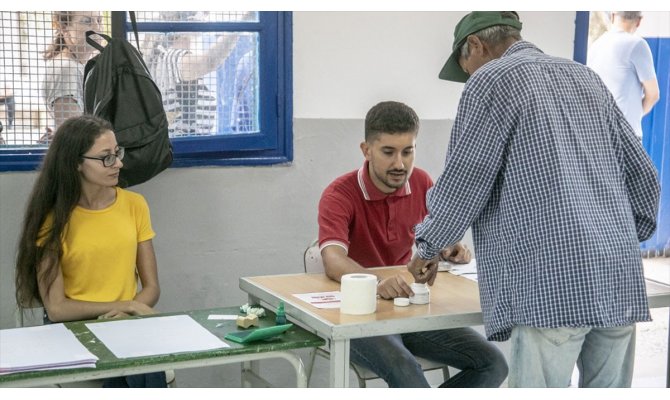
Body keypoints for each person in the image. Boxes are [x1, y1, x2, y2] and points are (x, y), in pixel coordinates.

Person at [408, 11, 660, 388]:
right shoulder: (585, 76)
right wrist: (620, 237)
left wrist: (427, 246)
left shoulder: (490, 81)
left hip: (551, 282)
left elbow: (465, 178)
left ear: (476, 45)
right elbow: (644, 176)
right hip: (617, 276)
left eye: (466, 67)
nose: (469, 77)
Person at [318, 100, 508, 388]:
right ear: (366, 150)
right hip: (356, 314)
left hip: (407, 309)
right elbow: (333, 260)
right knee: (406, 370)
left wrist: (449, 247)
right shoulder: (339, 193)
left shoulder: (421, 182)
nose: (399, 164)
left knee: (493, 364)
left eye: (408, 152)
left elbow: (436, 234)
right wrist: (377, 282)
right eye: (388, 152)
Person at [14, 115, 166, 387]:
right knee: (126, 372)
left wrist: (129, 312)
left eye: (117, 153)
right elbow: (58, 309)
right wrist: (127, 305)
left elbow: (152, 287)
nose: (118, 163)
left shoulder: (135, 205)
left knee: (142, 364)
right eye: (105, 157)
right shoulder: (51, 219)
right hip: (74, 331)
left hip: (126, 324)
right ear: (76, 163)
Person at [587, 11, 660, 139]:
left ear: (613, 16)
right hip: (626, 135)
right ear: (639, 21)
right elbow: (653, 94)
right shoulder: (638, 44)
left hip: (598, 132)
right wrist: (635, 115)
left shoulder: (596, 45)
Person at [41, 12, 103, 134]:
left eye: (99, 21)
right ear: (64, 28)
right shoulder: (66, 68)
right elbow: (73, 133)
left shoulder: (79, 65)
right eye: (87, 21)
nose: (97, 28)